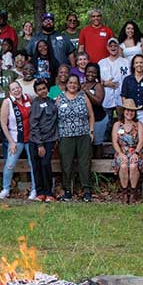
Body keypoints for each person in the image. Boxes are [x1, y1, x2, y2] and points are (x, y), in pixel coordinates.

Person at [56, 73, 95, 202]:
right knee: (66, 164)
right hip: (65, 136)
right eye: (70, 82)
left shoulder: (83, 97)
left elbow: (91, 115)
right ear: (66, 84)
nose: (72, 85)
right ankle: (67, 190)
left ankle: (87, 190)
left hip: (83, 135)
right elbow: (54, 118)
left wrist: (91, 131)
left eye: (75, 83)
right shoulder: (59, 98)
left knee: (84, 163)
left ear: (78, 85)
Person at [0, 81, 35, 199]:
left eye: (18, 88)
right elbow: (3, 124)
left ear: (21, 88)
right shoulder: (7, 102)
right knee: (10, 164)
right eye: (13, 89)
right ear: (10, 92)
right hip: (15, 139)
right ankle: (6, 188)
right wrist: (11, 141)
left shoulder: (28, 99)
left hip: (30, 138)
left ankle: (34, 189)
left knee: (33, 164)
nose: (17, 90)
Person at [111, 98, 143, 202]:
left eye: (132, 111)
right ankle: (125, 191)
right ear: (123, 111)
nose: (129, 113)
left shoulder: (139, 125)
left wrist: (136, 153)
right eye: (127, 110)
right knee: (124, 165)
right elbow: (115, 142)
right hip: (121, 151)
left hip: (135, 151)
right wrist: (120, 154)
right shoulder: (117, 125)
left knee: (134, 165)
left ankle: (133, 192)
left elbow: (141, 141)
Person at [97, 38, 130, 119]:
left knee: (121, 124)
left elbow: (130, 79)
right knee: (106, 126)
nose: (113, 47)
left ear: (118, 47)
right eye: (110, 46)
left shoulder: (126, 62)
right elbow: (96, 80)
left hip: (121, 99)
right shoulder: (101, 63)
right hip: (106, 98)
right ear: (107, 47)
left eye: (115, 45)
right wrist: (105, 83)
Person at [82, 63, 108, 144]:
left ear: (97, 74)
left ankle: (99, 157)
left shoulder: (98, 86)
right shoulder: (81, 85)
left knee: (97, 143)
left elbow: (98, 102)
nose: (90, 74)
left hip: (98, 119)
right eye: (88, 72)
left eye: (93, 72)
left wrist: (87, 91)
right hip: (86, 120)